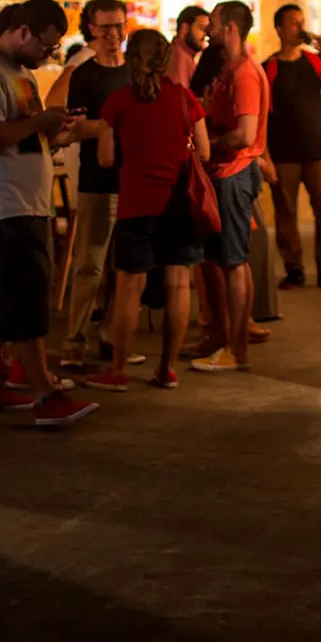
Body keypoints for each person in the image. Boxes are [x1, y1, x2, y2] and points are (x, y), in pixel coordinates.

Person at [0, 0, 100, 426]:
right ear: (22, 31)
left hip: (22, 205)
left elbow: (20, 134)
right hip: (3, 209)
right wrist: (40, 124)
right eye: (47, 45)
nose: (49, 54)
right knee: (24, 303)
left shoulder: (20, 74)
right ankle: (44, 395)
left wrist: (56, 130)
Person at [81, 29, 212, 392]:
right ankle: (167, 369)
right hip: (178, 205)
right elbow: (204, 152)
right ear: (166, 59)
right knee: (178, 284)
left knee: (129, 287)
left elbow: (105, 158)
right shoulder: (185, 98)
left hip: (136, 203)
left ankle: (118, 370)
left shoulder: (117, 101)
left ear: (131, 59)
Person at [46, 0, 130, 371]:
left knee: (124, 267)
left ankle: (112, 337)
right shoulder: (85, 75)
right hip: (97, 182)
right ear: (92, 29)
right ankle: (74, 340)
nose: (113, 33)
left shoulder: (137, 73)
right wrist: (116, 124)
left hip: (134, 182)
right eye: (106, 27)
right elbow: (74, 129)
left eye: (119, 25)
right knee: (89, 266)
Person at [189, 1, 270, 373]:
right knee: (229, 262)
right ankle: (226, 341)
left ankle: (236, 350)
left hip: (233, 174)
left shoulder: (244, 74)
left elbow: (245, 134)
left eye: (214, 23)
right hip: (227, 174)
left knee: (234, 263)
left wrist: (207, 145)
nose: (208, 30)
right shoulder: (232, 70)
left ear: (231, 28)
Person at [262, 4, 321, 290]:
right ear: (279, 29)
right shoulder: (268, 68)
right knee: (286, 213)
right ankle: (294, 269)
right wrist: (265, 156)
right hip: (283, 153)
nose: (300, 27)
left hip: (318, 149)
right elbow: (260, 116)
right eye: (293, 22)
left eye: (301, 21)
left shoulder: (315, 61)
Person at [168, 5, 210, 88]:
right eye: (202, 28)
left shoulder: (181, 54)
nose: (206, 34)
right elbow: (181, 93)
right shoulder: (179, 57)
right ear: (185, 28)